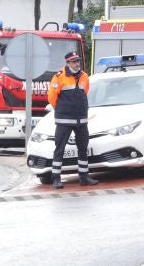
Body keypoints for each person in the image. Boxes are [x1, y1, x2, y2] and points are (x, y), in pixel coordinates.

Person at [47, 51, 98, 188]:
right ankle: (56, 178)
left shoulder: (84, 76)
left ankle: (84, 177)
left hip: (81, 120)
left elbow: (85, 92)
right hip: (64, 120)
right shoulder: (59, 77)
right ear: (68, 63)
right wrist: (63, 110)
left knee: (83, 148)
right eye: (74, 61)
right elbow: (52, 97)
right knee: (60, 149)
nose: (77, 64)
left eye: (78, 61)